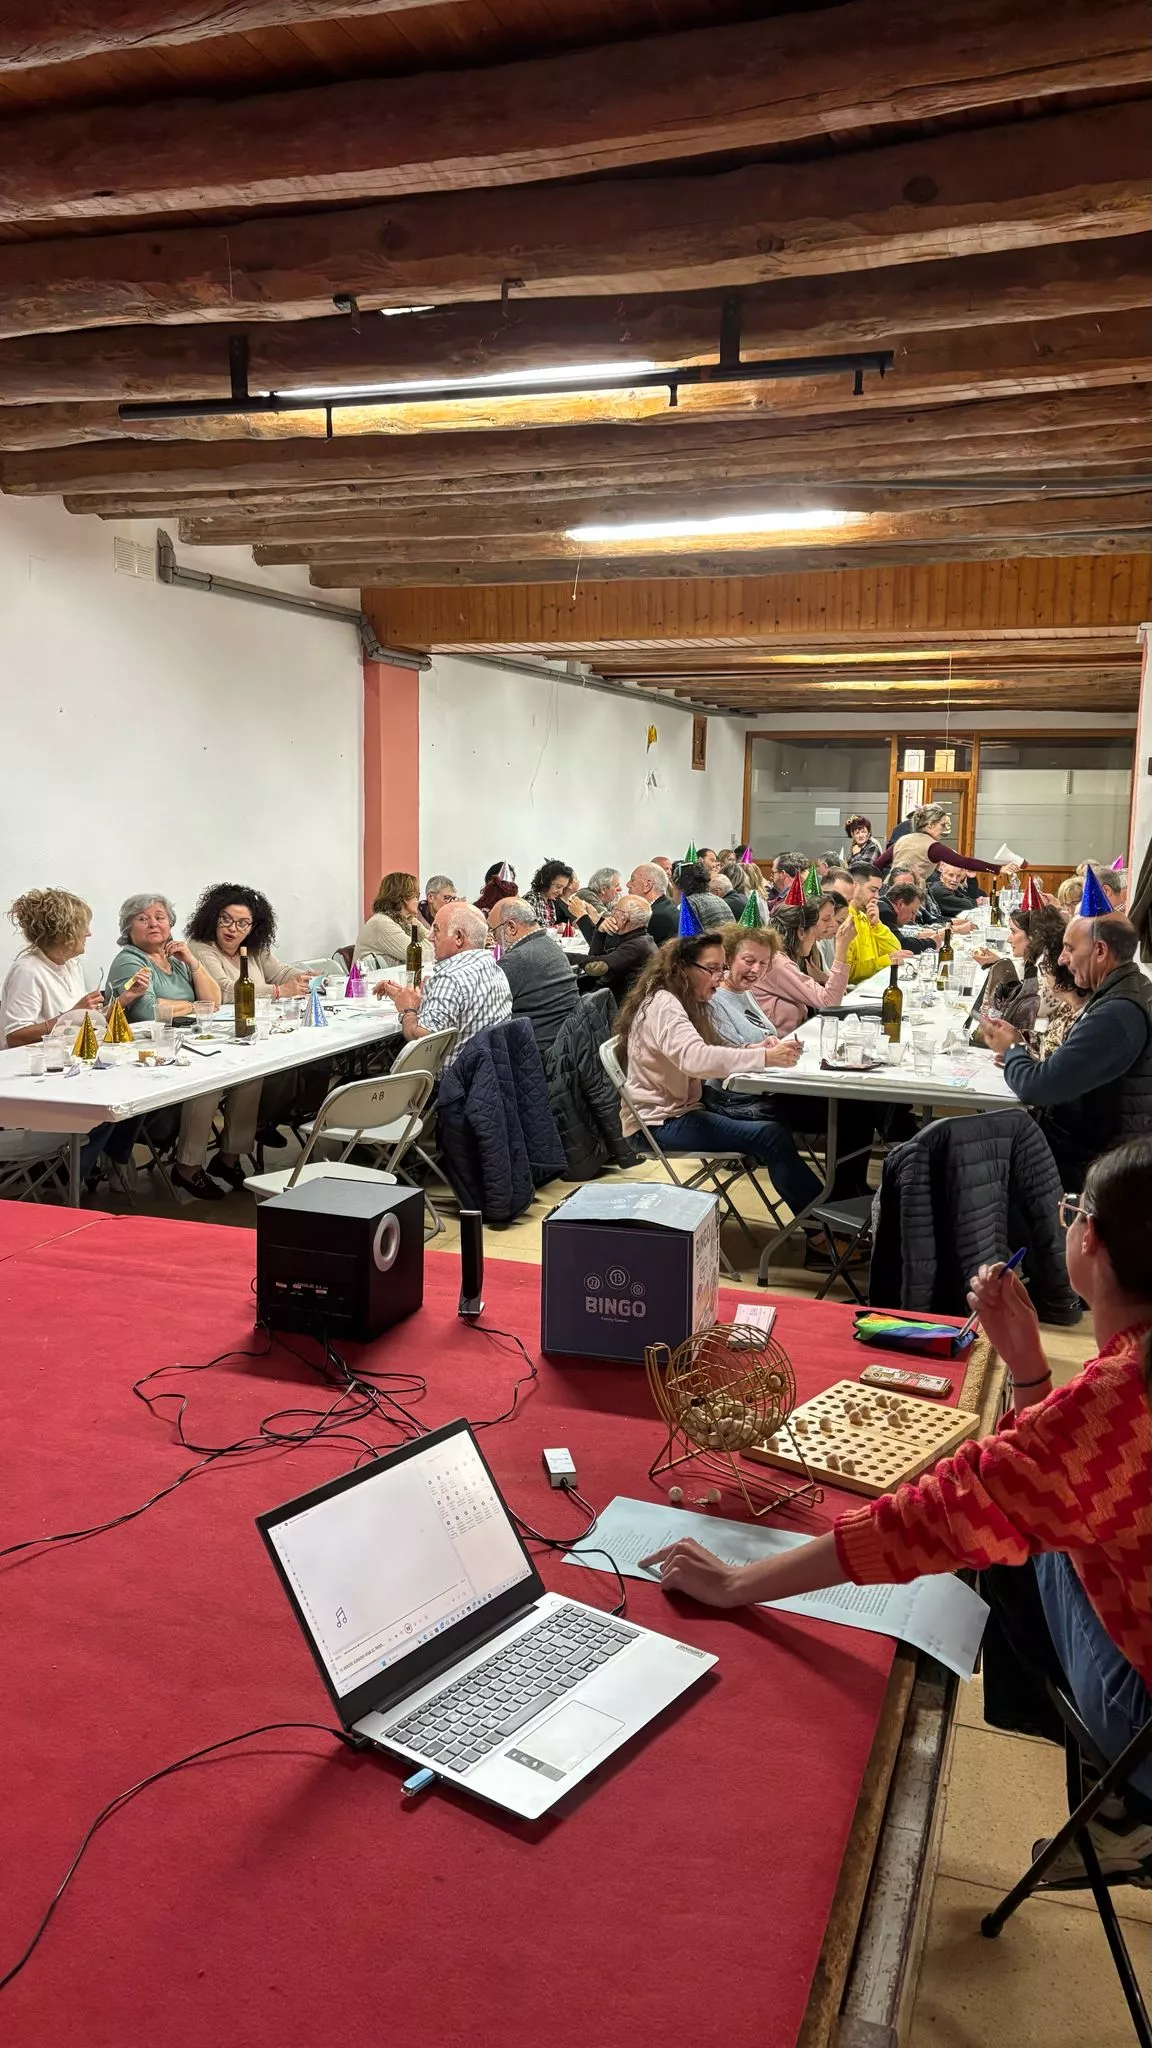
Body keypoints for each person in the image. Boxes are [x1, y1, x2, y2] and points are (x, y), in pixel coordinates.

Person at [640, 1137, 1152, 1886]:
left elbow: (944, 1516)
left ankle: (1120, 1807)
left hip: (1142, 1719)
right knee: (1024, 1521)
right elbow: (1059, 1476)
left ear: (1091, 1241)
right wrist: (1030, 1371)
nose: (1067, 1220)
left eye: (1074, 1210)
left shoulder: (1117, 1400)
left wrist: (740, 1583)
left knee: (1003, 1546)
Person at [614, 934, 823, 1219]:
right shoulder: (665, 1005)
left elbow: (711, 1049)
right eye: (711, 969)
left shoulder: (684, 999)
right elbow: (695, 1059)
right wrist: (762, 1058)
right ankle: (822, 1229)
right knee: (771, 1135)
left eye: (721, 969)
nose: (719, 977)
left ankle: (826, 1215)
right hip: (658, 1122)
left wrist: (754, 1048)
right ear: (682, 968)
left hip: (682, 1109)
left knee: (776, 1114)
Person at [983, 914, 1152, 1192]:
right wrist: (1021, 1055)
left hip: (1092, 1173)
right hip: (1097, 1156)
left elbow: (1037, 1088)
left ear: (1100, 951)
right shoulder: (1128, 990)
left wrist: (1012, 1048)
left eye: (1070, 948)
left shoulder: (1117, 1013)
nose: (1062, 959)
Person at [1, 888, 140, 1191]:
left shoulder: (71, 964)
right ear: (64, 932)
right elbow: (15, 1037)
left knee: (136, 1095)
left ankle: (96, 1162)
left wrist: (126, 999)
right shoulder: (28, 970)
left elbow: (84, 1018)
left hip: (72, 1064)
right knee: (107, 1104)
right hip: (36, 1074)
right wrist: (69, 1014)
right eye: (83, 927)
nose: (89, 934)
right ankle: (66, 1172)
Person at [106, 894, 235, 1203]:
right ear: (128, 927)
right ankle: (188, 1166)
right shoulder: (130, 959)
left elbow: (214, 1003)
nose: (153, 923)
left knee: (244, 1077)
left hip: (188, 1041)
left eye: (160, 917)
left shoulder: (176, 959)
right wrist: (193, 1005)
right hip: (148, 1053)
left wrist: (192, 962)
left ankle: (231, 1156)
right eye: (143, 918)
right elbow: (148, 1011)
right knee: (210, 1082)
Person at [185, 884, 314, 1172]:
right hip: (216, 1035)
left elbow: (280, 972)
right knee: (252, 1076)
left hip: (256, 1028)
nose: (233, 928)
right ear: (212, 917)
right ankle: (223, 1153)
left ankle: (236, 1152)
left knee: (293, 1067)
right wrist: (281, 991)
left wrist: (307, 977)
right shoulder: (201, 949)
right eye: (226, 919)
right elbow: (226, 990)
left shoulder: (254, 949)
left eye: (243, 923)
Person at [376, 902, 511, 1062]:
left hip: (450, 1081)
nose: (429, 937)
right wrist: (410, 998)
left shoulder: (450, 978)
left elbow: (423, 1040)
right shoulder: (495, 970)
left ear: (459, 937)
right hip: (487, 1076)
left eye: (436, 930)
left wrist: (408, 1010)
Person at [485, 897, 579, 1055]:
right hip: (564, 1044)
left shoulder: (518, 959)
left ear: (511, 927)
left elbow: (480, 1005)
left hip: (533, 1054)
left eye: (494, 931)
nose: (494, 939)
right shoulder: (549, 945)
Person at [749, 905, 854, 1033]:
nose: (816, 937)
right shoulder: (778, 963)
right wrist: (842, 949)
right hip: (777, 1043)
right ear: (801, 932)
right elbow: (829, 1002)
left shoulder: (784, 958)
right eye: (815, 929)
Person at [973, 905, 1067, 1038]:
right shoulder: (1038, 960)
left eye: (1013, 932)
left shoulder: (1046, 968)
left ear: (1034, 935)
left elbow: (1032, 1011)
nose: (1008, 939)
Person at [875, 804, 1000, 885]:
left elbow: (877, 865)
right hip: (909, 894)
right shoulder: (932, 847)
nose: (943, 829)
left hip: (889, 891)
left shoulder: (903, 840)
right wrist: (998, 868)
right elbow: (964, 862)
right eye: (942, 825)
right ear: (930, 824)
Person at [578, 894, 657, 1003]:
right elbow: (595, 958)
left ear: (624, 918)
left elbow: (597, 966)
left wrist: (564, 956)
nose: (612, 914)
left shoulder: (635, 947)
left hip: (613, 1009)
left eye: (615, 910)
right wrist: (600, 932)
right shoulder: (642, 940)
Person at [356, 873, 431, 971]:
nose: (418, 900)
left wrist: (416, 924)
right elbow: (420, 954)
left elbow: (434, 941)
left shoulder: (405, 920)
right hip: (368, 983)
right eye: (416, 896)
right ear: (404, 897)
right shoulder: (382, 923)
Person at [844, 868, 908, 983]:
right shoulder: (844, 920)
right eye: (873, 890)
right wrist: (887, 960)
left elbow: (897, 950)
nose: (877, 896)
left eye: (878, 891)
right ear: (855, 887)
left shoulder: (866, 917)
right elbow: (847, 972)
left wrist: (877, 925)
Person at [878, 881, 941, 956]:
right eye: (913, 912)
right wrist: (932, 942)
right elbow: (902, 944)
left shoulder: (884, 907)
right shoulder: (883, 911)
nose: (913, 919)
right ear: (901, 904)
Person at [670, 861, 730, 932]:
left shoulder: (688, 905)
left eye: (673, 885)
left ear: (678, 886)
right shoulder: (720, 900)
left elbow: (685, 939)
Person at [628, 863, 678, 944]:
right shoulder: (666, 906)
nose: (628, 884)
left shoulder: (655, 916)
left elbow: (631, 950)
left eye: (632, 879)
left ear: (647, 885)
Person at [527, 860, 578, 929]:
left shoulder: (550, 902)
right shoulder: (531, 899)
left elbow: (547, 928)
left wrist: (558, 927)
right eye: (558, 887)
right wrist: (555, 929)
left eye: (563, 888)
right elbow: (530, 931)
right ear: (546, 881)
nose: (560, 892)